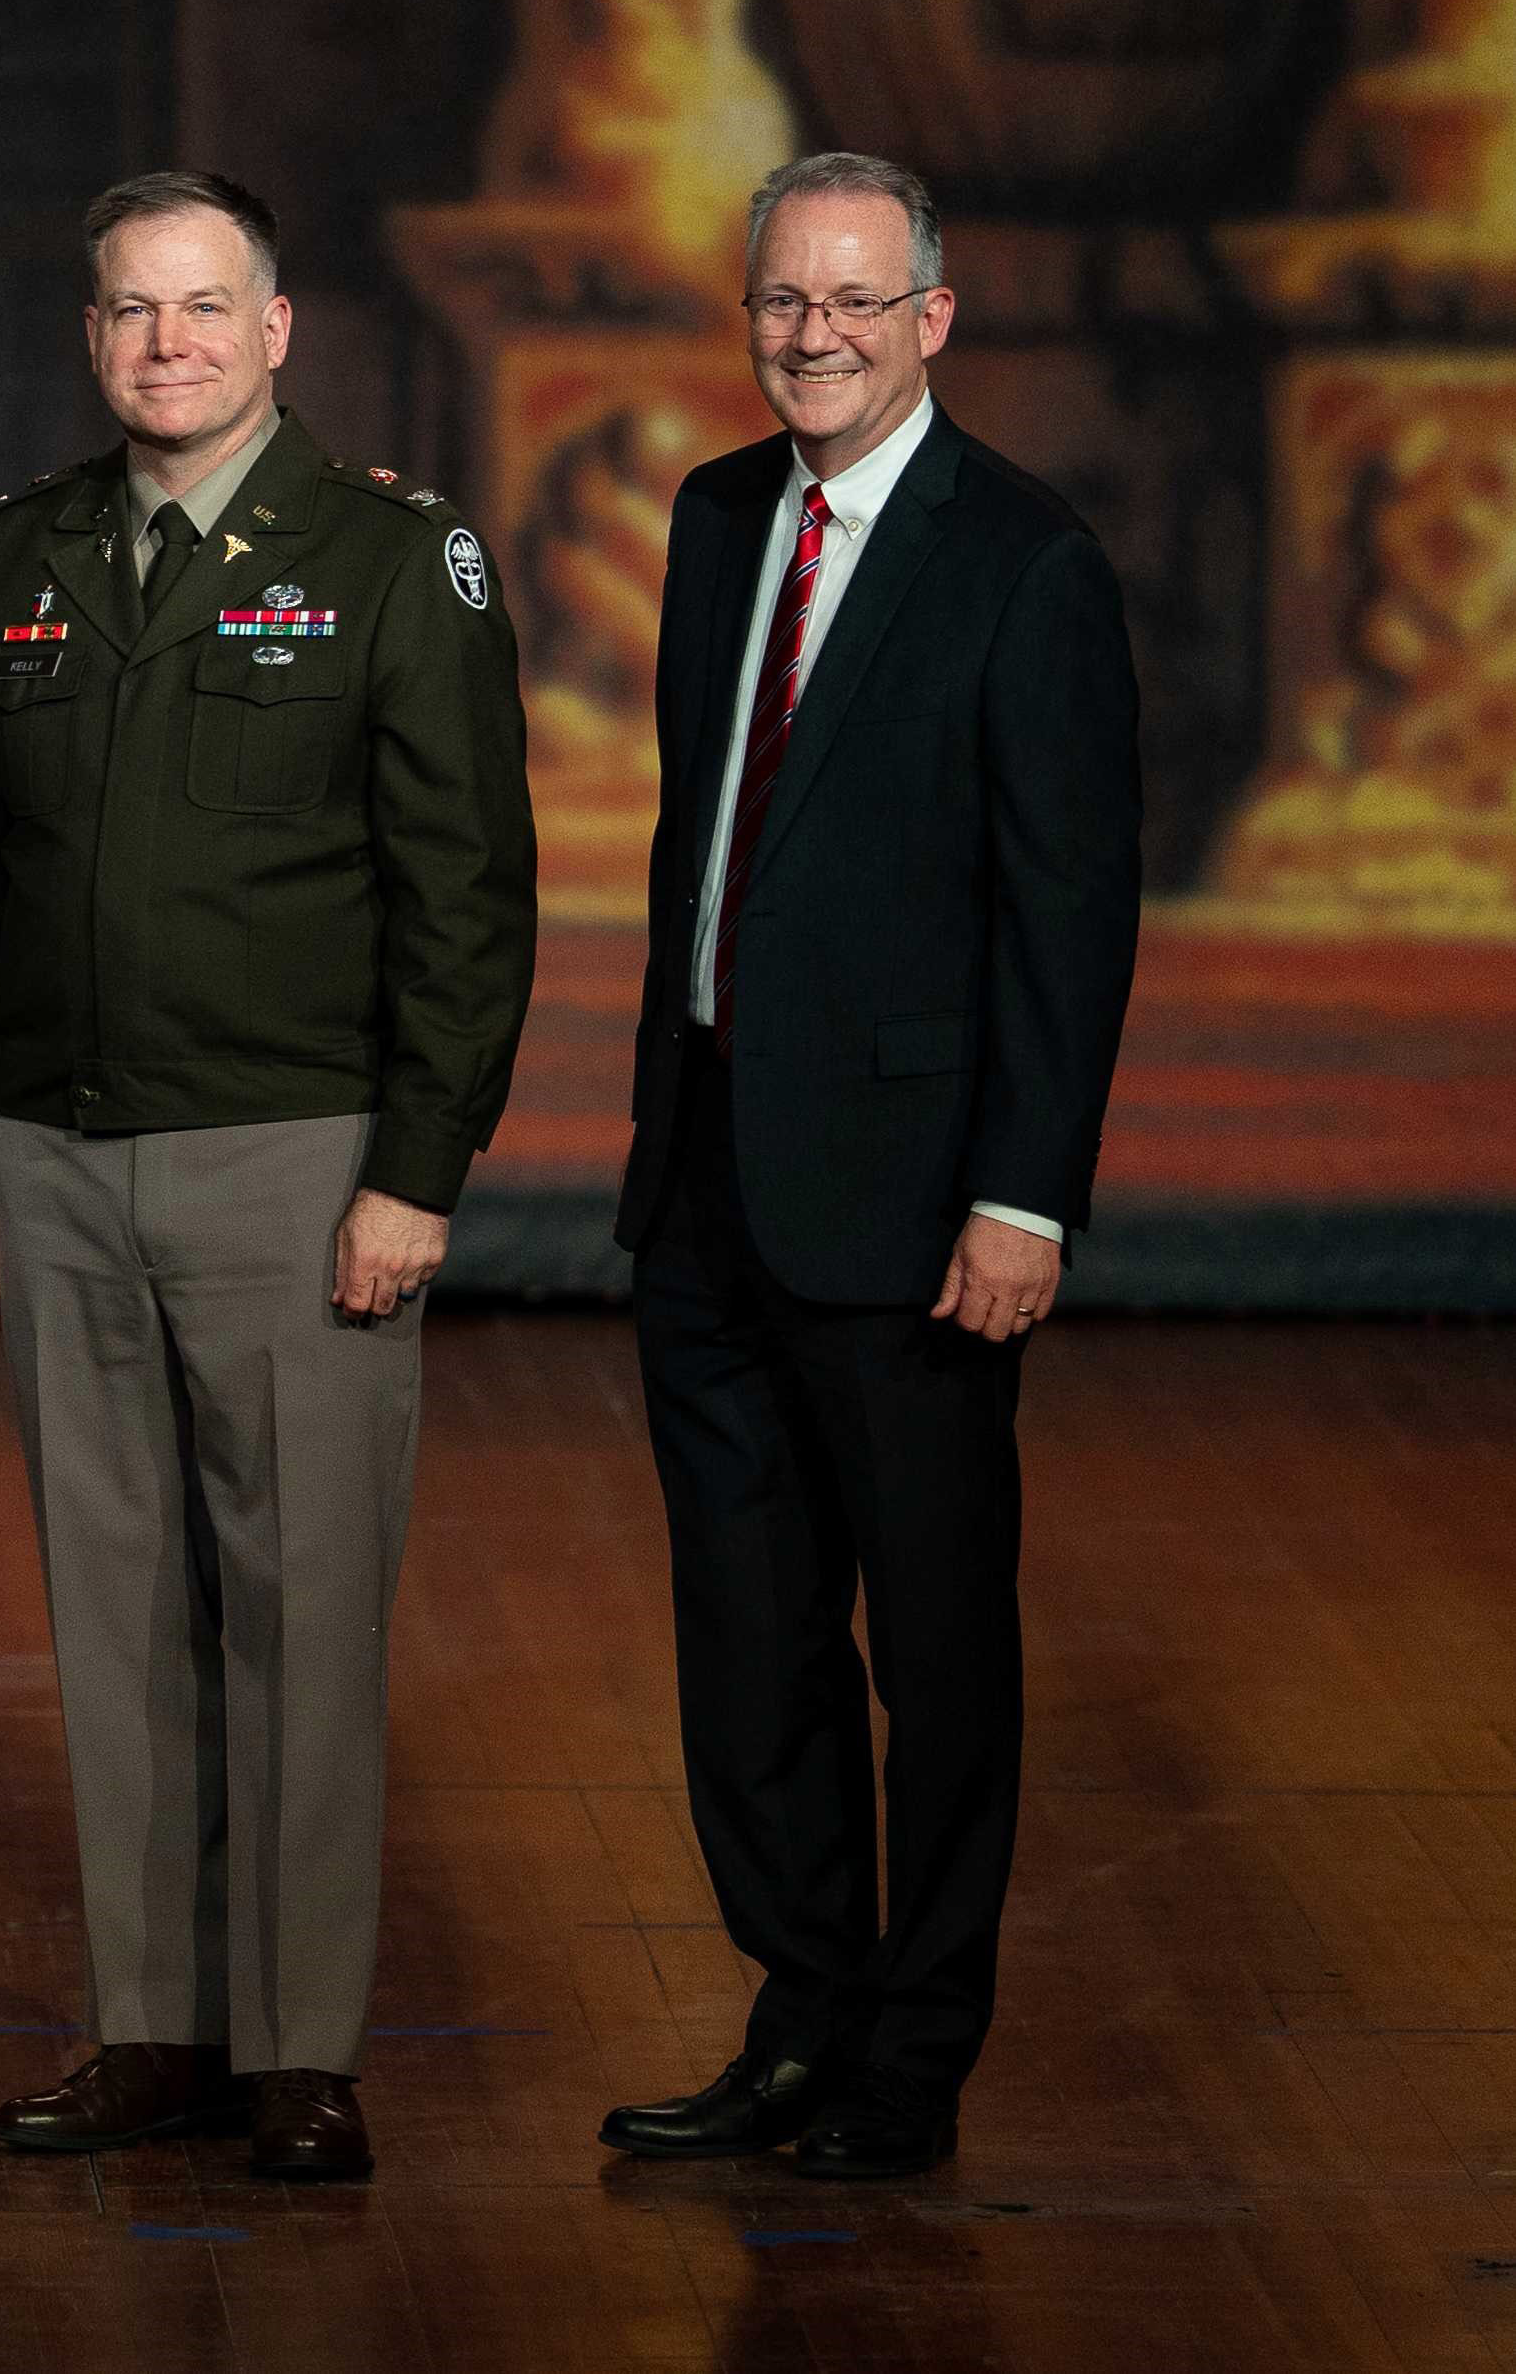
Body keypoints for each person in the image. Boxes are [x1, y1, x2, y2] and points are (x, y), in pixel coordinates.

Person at [0, 170, 537, 2182]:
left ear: (276, 333)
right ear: (90, 339)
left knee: (301, 1609)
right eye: (125, 311)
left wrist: (415, 1168)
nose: (163, 341)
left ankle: (298, 2051)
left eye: (202, 306)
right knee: (113, 1619)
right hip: (50, 1160)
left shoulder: (386, 555)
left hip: (297, 1161)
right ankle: (152, 2027)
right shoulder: (13, 555)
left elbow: (465, 899)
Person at [599, 153, 1140, 2179]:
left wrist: (1025, 1196)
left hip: (915, 1213)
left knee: (934, 1656)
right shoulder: (714, 514)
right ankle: (799, 2014)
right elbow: (701, 858)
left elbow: (1065, 912)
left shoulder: (1022, 560)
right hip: (709, 1184)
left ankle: (913, 2063)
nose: (808, 336)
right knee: (747, 1648)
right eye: (776, 302)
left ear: (931, 319)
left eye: (850, 302)